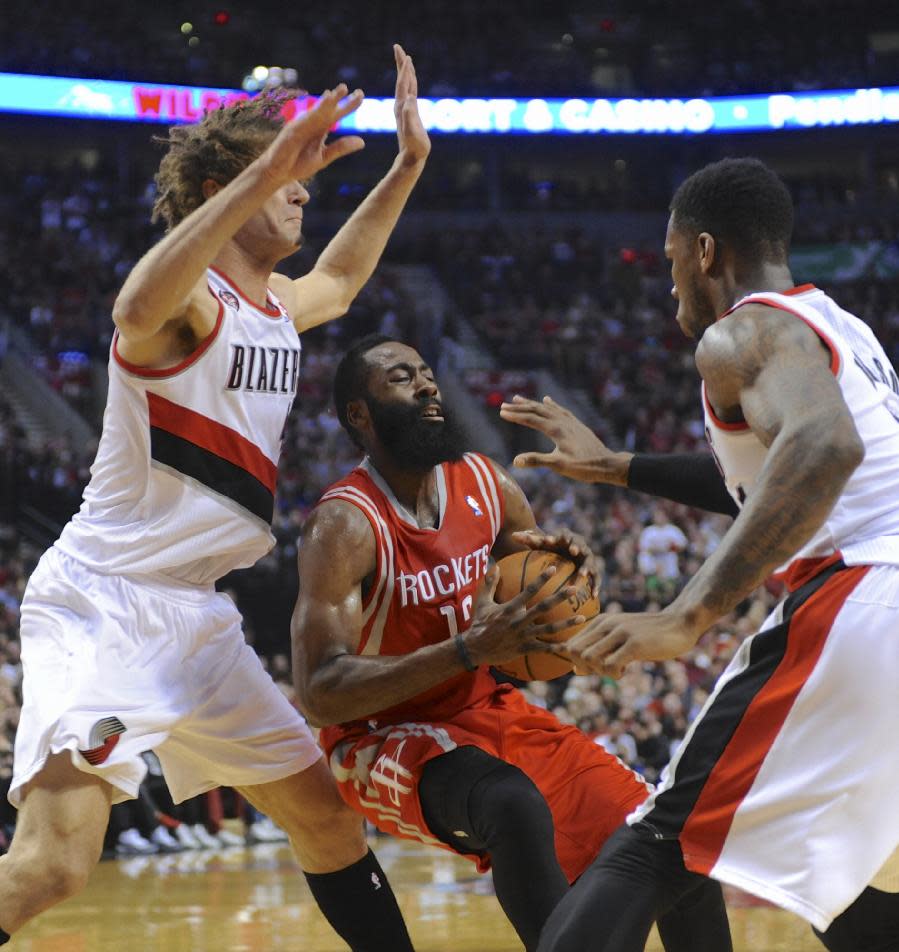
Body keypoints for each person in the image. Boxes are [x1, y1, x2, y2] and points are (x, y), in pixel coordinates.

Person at [0, 46, 430, 951]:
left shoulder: (271, 307)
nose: (304, 189)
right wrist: (266, 166)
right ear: (213, 189)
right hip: (103, 604)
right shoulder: (183, 304)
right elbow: (132, 305)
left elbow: (343, 281)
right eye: (283, 177)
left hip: (198, 619)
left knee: (326, 821)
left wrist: (406, 165)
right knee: (54, 866)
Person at [500, 157, 899, 952]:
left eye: (670, 258)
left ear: (705, 250)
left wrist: (689, 615)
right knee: (842, 894)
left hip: (862, 597)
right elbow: (770, 477)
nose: (670, 279)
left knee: (654, 843)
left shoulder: (742, 330)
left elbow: (822, 448)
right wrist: (615, 465)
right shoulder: (836, 326)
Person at [291, 335, 733, 952]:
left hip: (487, 712)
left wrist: (569, 591)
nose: (426, 385)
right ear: (358, 416)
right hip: (377, 735)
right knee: (512, 804)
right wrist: (466, 651)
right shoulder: (344, 525)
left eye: (426, 373)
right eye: (400, 378)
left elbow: (533, 639)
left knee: (664, 833)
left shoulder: (488, 486)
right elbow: (319, 694)